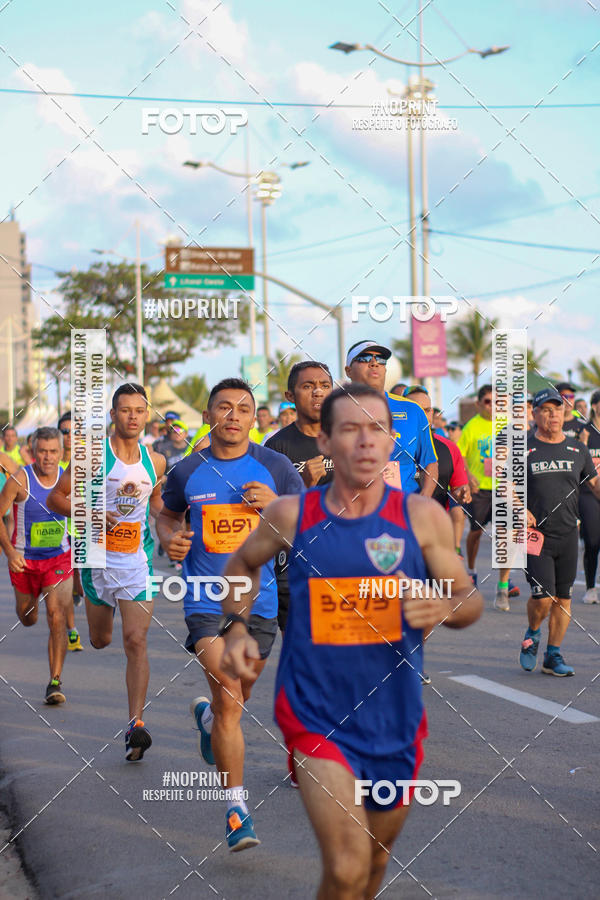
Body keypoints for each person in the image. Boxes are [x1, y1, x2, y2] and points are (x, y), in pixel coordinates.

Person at [220, 383, 483, 896]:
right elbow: (241, 565)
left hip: (395, 717)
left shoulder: (421, 517)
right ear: (324, 442)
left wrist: (446, 605)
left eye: (377, 430)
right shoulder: (292, 515)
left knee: (372, 870)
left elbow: (468, 599)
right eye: (350, 429)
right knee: (345, 865)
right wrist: (235, 624)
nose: (365, 442)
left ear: (391, 445)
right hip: (314, 711)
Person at [157, 378, 303, 851]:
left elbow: (309, 519)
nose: (234, 416)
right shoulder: (189, 470)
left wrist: (278, 507)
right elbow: (166, 513)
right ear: (208, 416)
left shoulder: (275, 466)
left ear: (255, 417)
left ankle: (207, 723)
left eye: (244, 408)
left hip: (259, 604)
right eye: (225, 407)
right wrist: (169, 538)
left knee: (233, 704)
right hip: (205, 599)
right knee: (228, 691)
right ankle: (237, 810)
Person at [48, 384, 166, 758]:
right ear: (113, 415)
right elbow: (56, 497)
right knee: (102, 640)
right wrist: (94, 514)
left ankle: (136, 725)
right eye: (125, 410)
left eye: (139, 410)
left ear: (147, 415)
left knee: (136, 641)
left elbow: (159, 506)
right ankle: (93, 618)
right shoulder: (92, 456)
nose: (133, 416)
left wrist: (174, 529)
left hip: (137, 562)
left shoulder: (156, 461)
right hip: (97, 560)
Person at [520, 388, 600, 676]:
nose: (553, 413)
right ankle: (532, 632)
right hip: (535, 536)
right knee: (543, 598)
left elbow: (594, 485)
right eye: (546, 409)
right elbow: (505, 488)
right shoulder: (523, 449)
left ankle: (552, 656)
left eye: (558, 408)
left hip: (567, 533)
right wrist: (520, 508)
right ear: (535, 413)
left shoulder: (578, 449)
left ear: (565, 414)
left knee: (563, 598)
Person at [0, 427, 72, 704]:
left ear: (61, 452)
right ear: (32, 451)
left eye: (54, 451)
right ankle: (31, 608)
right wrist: (8, 551)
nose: (48, 457)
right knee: (28, 617)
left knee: (56, 615)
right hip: (24, 561)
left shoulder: (69, 478)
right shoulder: (20, 480)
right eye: (42, 451)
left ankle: (55, 682)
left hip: (58, 557)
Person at [265, 361, 334, 632]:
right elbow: (270, 514)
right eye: (308, 386)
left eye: (324, 386)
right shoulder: (276, 448)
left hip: (346, 561)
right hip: (295, 566)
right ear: (290, 396)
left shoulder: (351, 439)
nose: (318, 392)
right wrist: (304, 486)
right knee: (302, 651)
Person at [345, 340, 438, 496]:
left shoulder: (412, 410)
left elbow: (429, 462)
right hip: (355, 508)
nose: (374, 363)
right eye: (365, 358)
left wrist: (424, 499)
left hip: (403, 507)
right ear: (348, 371)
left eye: (381, 360)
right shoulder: (336, 410)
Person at [457, 384, 518, 607]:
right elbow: (460, 455)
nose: (492, 406)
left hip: (503, 489)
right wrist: (469, 476)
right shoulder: (471, 427)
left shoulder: (507, 426)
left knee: (506, 535)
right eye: (487, 402)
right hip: (479, 489)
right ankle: (472, 571)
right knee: (475, 533)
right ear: (478, 404)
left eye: (497, 402)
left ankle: (503, 585)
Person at [57, 411, 84, 648]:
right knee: (64, 582)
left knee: (78, 578)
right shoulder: (50, 462)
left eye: (73, 432)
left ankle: (78, 591)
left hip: (83, 530)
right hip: (58, 532)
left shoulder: (87, 462)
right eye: (64, 432)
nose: (68, 437)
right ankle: (71, 630)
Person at [578, 390, 600, 603]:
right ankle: (591, 588)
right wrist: (583, 444)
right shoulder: (584, 432)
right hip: (588, 491)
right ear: (595, 406)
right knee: (593, 541)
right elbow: (577, 462)